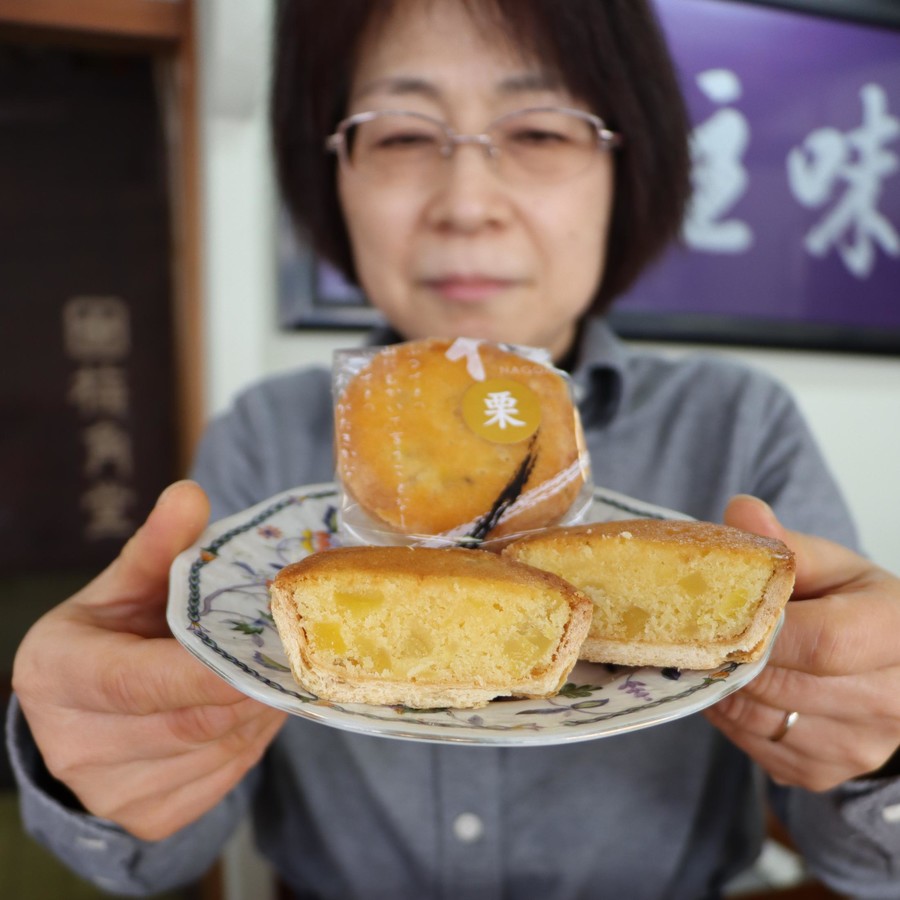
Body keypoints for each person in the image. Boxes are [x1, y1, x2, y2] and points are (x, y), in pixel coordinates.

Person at [8, 1, 900, 897]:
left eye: (542, 130)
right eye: (399, 134)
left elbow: (864, 859)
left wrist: (877, 743)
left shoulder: (739, 422)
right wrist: (96, 774)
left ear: (628, 168)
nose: (467, 205)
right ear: (333, 173)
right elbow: (159, 851)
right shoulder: (263, 437)